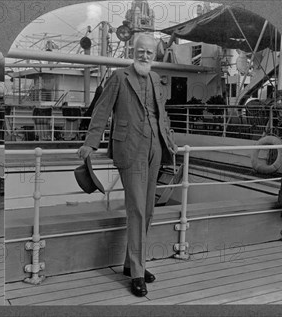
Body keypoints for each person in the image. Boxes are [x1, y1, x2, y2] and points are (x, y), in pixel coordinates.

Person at [77, 33, 177, 297]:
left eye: (150, 53)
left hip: (155, 147)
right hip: (130, 149)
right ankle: (137, 273)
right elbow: (101, 110)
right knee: (136, 210)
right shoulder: (119, 78)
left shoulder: (156, 79)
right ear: (133, 52)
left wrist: (169, 139)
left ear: (155, 56)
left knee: (148, 210)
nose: (145, 56)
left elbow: (160, 114)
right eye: (141, 51)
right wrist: (91, 142)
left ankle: (131, 263)